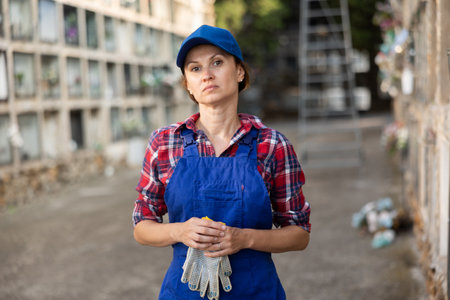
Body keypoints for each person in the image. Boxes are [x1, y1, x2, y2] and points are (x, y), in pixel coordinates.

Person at [133, 24, 311, 300]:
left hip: (255, 292)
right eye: (195, 69)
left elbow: (299, 234)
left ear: (239, 72)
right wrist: (180, 231)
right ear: (188, 85)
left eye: (217, 62)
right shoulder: (164, 143)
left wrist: (244, 238)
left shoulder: (272, 145)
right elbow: (142, 226)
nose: (206, 75)